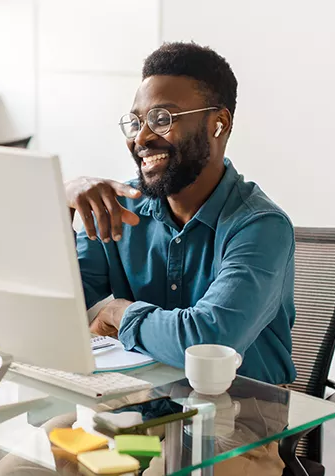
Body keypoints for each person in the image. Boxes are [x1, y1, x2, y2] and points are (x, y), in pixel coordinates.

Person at [65, 41, 296, 385]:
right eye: (136, 121)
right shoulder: (121, 209)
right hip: (137, 404)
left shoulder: (261, 227)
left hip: (240, 420)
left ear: (218, 123)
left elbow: (206, 342)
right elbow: (50, 311)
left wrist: (118, 312)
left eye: (162, 119)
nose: (141, 137)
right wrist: (61, 200)